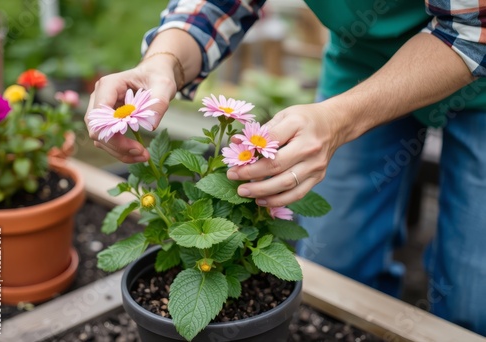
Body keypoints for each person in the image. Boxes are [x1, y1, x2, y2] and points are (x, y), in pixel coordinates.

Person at [85, 0, 486, 336]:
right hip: (364, 58)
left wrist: (340, 120)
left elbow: (470, 28)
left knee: (473, 298)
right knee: (335, 268)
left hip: (477, 64)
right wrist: (165, 60)